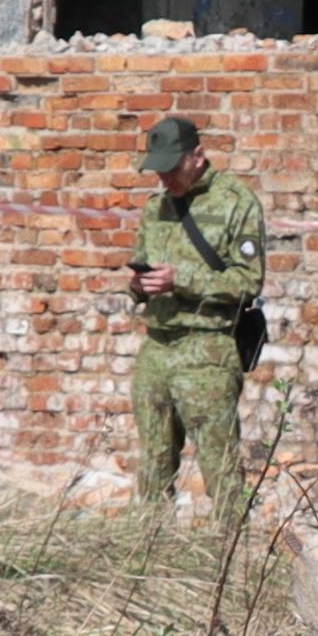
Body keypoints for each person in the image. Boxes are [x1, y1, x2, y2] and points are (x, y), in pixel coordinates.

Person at [128, 110, 266, 521]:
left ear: (198, 156)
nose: (164, 179)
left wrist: (181, 279)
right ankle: (148, 555)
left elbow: (249, 281)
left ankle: (230, 557)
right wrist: (139, 286)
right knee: (153, 466)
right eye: (158, 171)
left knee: (221, 470)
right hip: (157, 347)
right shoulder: (156, 209)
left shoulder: (236, 203)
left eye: (172, 169)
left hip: (207, 351)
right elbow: (140, 267)